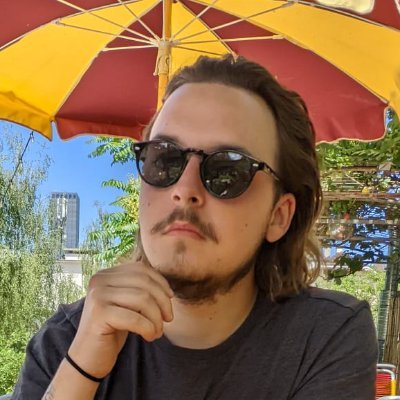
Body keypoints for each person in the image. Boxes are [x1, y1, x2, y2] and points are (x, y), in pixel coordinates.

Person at [12, 55, 377, 400]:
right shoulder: (68, 340)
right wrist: (81, 370)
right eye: (165, 159)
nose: (184, 190)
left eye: (228, 170)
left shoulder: (324, 337)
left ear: (278, 216)